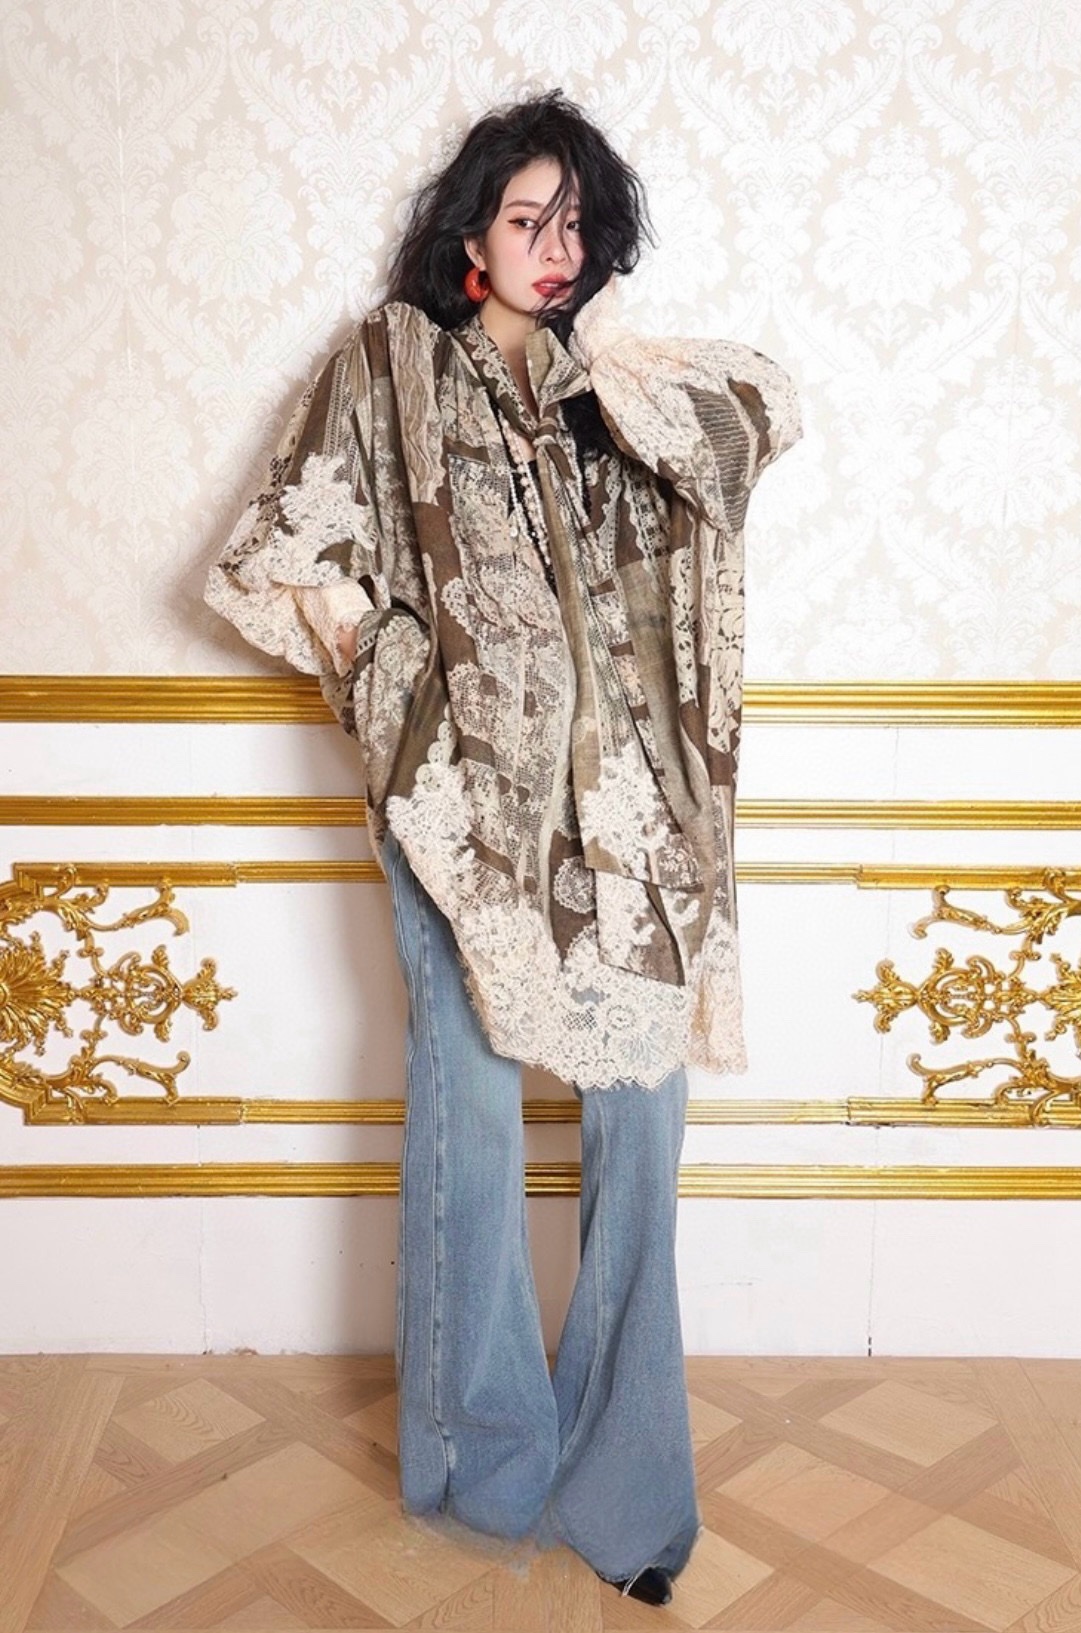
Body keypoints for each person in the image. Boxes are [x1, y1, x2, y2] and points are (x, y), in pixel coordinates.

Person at [205, 89, 801, 1607]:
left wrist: (617, 370)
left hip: (627, 821)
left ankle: (626, 1483)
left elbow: (762, 419)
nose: (555, 245)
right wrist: (390, 670)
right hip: (456, 808)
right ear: (470, 229)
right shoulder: (389, 364)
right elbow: (282, 546)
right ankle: (486, 1463)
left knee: (641, 1119)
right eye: (527, 216)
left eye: (577, 222)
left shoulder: (622, 388)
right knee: (470, 1105)